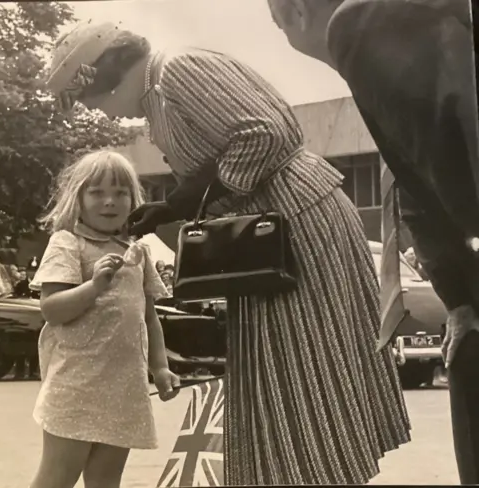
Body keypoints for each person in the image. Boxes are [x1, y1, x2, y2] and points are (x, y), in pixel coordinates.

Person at [44, 21, 410, 485]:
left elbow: (265, 133)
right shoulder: (158, 95)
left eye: (88, 97)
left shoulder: (177, 70)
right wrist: (176, 206)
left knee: (308, 369)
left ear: (98, 75)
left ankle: (322, 474)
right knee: (282, 377)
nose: (98, 110)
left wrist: (180, 200)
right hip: (265, 240)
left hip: (295, 225)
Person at [267, 0, 479, 483]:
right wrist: (459, 300)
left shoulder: (363, 25)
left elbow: (453, 148)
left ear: (297, 11)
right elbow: (422, 182)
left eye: (277, 26)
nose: (284, 39)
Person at [28, 150, 180, 488]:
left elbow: (148, 317)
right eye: (97, 192)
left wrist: (160, 366)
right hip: (77, 385)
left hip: (125, 388)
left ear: (133, 200)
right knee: (57, 477)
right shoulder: (67, 243)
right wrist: (94, 286)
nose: (109, 201)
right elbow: (51, 309)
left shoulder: (137, 250)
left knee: (106, 479)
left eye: (120, 193)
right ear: (78, 198)